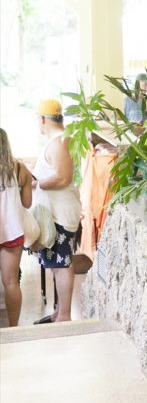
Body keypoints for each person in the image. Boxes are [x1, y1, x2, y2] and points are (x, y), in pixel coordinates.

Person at [31, 99, 80, 324]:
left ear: (42, 119)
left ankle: (65, 316)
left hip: (61, 214)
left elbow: (63, 177)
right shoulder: (58, 140)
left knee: (62, 266)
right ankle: (59, 312)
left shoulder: (60, 142)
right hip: (55, 214)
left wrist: (38, 184)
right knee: (55, 265)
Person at [0, 127, 34, 326]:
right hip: (12, 231)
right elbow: (27, 203)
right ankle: (13, 328)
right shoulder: (21, 169)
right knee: (11, 282)